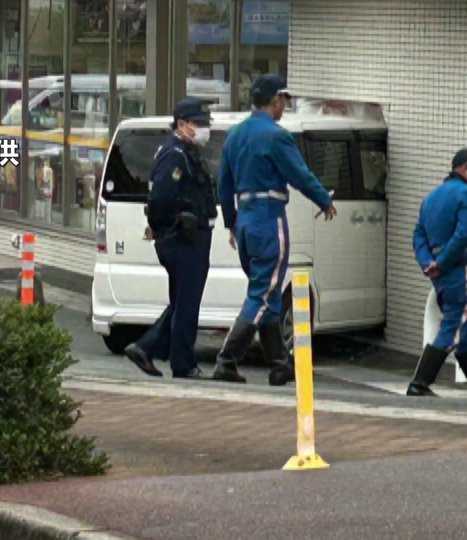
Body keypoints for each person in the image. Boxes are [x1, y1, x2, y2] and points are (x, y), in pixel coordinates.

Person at [212, 73, 337, 386]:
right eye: (284, 99)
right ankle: (227, 360)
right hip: (268, 218)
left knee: (266, 291)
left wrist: (231, 222)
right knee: (264, 293)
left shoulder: (235, 134)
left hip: (244, 218)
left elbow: (223, 183)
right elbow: (299, 174)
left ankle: (280, 364)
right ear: (275, 99)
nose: (285, 106)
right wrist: (323, 199)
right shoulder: (276, 136)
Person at [123, 97, 218, 379]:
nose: (203, 129)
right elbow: (160, 199)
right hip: (183, 238)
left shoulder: (186, 152)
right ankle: (180, 361)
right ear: (181, 124)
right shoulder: (174, 154)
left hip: (190, 236)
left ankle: (148, 349)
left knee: (182, 301)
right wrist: (166, 227)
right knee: (186, 302)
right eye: (198, 123)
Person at [408, 147, 467, 398]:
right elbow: (464, 233)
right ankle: (420, 383)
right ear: (465, 168)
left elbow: (418, 233)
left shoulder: (432, 196)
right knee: (455, 324)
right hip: (460, 268)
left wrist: (428, 262)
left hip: (439, 274)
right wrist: (443, 262)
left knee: (465, 326)